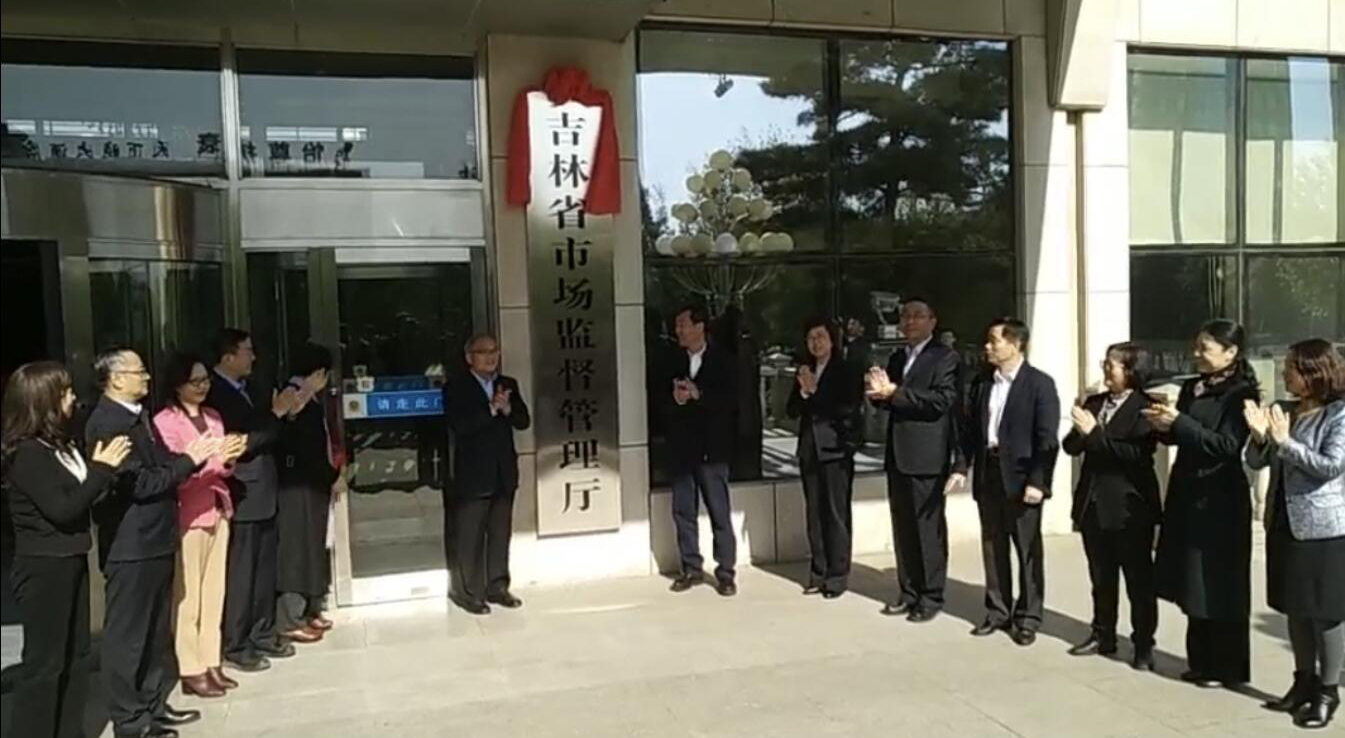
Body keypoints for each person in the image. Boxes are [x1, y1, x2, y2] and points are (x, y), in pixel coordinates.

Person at [86, 348, 213, 738]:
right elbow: (139, 483)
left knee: (155, 630)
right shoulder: (107, 422)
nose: (146, 378)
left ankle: (153, 705)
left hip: (156, 537)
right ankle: (130, 719)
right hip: (131, 544)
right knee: (128, 635)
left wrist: (187, 458)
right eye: (138, 372)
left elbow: (162, 461)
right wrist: (188, 460)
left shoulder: (137, 416)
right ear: (115, 378)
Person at [2, 362, 130, 738]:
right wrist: (101, 470)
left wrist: (104, 475)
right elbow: (62, 508)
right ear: (43, 401)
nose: (73, 398)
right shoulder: (27, 454)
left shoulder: (60, 444)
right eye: (65, 392)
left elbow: (82, 495)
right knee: (45, 665)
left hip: (72, 558)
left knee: (76, 656)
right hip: (43, 567)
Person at [1144, 319, 1260, 689]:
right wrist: (1163, 426)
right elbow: (1184, 436)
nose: (1197, 355)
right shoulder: (1192, 387)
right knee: (1192, 581)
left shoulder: (1241, 394)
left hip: (1221, 498)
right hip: (1188, 491)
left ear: (1231, 353)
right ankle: (1200, 660)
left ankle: (1226, 667)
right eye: (1196, 347)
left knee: (1220, 584)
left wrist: (1180, 422)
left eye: (1205, 349)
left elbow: (1226, 446)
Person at [1245, 339, 1345, 730]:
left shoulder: (1338, 415)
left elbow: (1330, 466)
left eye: (1292, 368)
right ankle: (1303, 681)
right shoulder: (1284, 410)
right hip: (1284, 521)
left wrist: (1285, 442)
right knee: (1295, 607)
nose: (1284, 374)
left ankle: (1328, 691)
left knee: (1326, 611)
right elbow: (1255, 460)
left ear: (1315, 372)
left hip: (1323, 529)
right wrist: (1259, 437)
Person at [950, 318, 1061, 647]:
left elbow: (1047, 438)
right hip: (989, 473)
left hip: (1023, 478)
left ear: (1016, 344)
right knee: (992, 545)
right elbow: (970, 430)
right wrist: (961, 466)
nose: (987, 347)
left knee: (1027, 549)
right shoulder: (983, 382)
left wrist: (1038, 481)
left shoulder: (1039, 384)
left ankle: (1028, 617)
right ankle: (998, 610)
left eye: (994, 341)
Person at [205, 328, 303, 672]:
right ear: (228, 356)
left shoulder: (251, 388)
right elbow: (242, 440)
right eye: (247, 351)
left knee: (263, 569)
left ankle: (262, 631)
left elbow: (268, 430)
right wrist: (274, 415)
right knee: (242, 572)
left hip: (264, 487)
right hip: (243, 489)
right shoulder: (215, 394)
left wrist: (284, 413)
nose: (253, 357)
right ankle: (237, 642)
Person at [1062, 342, 1161, 670]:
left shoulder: (1146, 408)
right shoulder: (1095, 402)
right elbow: (1071, 447)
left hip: (1129, 507)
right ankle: (1103, 633)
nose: (1106, 369)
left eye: (1112, 364)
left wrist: (1094, 434)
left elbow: (1134, 454)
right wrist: (1081, 429)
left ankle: (1143, 643)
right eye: (1105, 363)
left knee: (1138, 580)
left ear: (1131, 370)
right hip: (1093, 503)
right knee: (1101, 576)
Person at [152, 352, 246, 699]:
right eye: (195, 381)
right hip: (188, 512)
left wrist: (229, 457)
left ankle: (211, 659)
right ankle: (190, 666)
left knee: (214, 590)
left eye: (205, 380)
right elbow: (178, 471)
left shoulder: (214, 416)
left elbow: (221, 464)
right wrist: (214, 461)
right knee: (188, 594)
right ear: (178, 385)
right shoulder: (165, 422)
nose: (203, 386)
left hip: (218, 506)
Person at [866, 298, 960, 622]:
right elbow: (890, 400)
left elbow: (942, 401)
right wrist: (878, 394)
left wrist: (895, 393)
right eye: (905, 316)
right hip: (898, 453)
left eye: (918, 316)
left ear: (933, 321)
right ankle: (908, 592)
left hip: (927, 456)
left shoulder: (944, 357)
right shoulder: (898, 357)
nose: (909, 322)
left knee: (927, 530)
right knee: (903, 527)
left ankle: (931, 595)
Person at [443, 333, 530, 615]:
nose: (491, 357)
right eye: (483, 352)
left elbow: (523, 421)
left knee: (500, 533)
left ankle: (498, 587)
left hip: (504, 472)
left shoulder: (508, 384)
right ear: (469, 357)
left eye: (494, 351)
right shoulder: (456, 387)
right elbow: (460, 426)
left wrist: (507, 408)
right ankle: (468, 592)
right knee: (470, 536)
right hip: (473, 473)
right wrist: (491, 410)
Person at [663, 305, 739, 597]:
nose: (678, 331)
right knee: (683, 511)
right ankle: (690, 568)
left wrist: (700, 395)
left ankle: (726, 572)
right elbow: (659, 398)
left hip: (712, 450)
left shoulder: (723, 360)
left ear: (700, 327)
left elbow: (731, 401)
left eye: (683, 325)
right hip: (682, 448)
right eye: (677, 325)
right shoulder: (672, 360)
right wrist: (677, 399)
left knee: (719, 511)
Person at [786, 319, 862, 599]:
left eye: (820, 337)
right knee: (815, 514)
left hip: (835, 450)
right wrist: (803, 391)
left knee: (836, 514)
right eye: (811, 338)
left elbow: (846, 408)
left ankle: (837, 575)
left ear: (832, 340)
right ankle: (818, 571)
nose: (816, 343)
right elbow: (791, 410)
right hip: (810, 450)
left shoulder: (845, 370)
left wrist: (815, 392)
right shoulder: (805, 370)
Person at [275, 342, 342, 641]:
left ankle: (309, 609)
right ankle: (290, 617)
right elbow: (298, 441)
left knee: (313, 545)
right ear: (318, 373)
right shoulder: (293, 396)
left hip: (312, 484)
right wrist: (331, 475)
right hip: (297, 485)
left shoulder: (311, 398)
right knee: (297, 550)